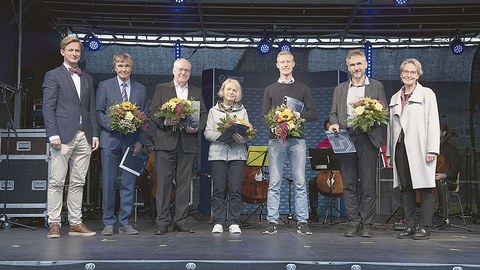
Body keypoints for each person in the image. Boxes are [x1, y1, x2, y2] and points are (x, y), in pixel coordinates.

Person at [42, 36, 99, 238]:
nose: (75, 53)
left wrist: (94, 134)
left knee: (78, 182)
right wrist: (53, 134)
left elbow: (91, 108)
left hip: (84, 134)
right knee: (57, 181)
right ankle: (54, 223)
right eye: (71, 50)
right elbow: (48, 106)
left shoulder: (87, 78)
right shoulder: (53, 75)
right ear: (62, 52)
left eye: (78, 51)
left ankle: (75, 222)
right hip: (62, 135)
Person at [328, 49, 386, 238]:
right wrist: (334, 123)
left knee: (368, 184)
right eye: (352, 65)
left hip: (368, 138)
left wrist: (371, 117)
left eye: (359, 64)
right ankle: (353, 222)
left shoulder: (376, 86)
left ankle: (367, 223)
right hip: (345, 137)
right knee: (349, 184)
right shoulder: (340, 89)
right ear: (348, 67)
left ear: (365, 64)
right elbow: (333, 114)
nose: (356, 68)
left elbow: (383, 112)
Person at [148, 58, 207, 235]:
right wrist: (165, 121)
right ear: (173, 71)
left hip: (187, 144)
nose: (183, 73)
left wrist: (196, 127)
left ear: (190, 73)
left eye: (187, 70)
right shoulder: (162, 88)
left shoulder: (196, 91)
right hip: (166, 142)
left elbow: (203, 113)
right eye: (180, 70)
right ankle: (163, 222)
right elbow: (152, 111)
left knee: (184, 185)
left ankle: (181, 221)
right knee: (164, 184)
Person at [262, 51, 318, 235]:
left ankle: (302, 221)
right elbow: (264, 117)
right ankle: (272, 221)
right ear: (277, 65)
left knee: (300, 182)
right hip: (276, 140)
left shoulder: (303, 88)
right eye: (282, 62)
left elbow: (313, 113)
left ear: (293, 64)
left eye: (288, 61)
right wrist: (274, 126)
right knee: (275, 181)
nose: (285, 64)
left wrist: (298, 115)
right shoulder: (270, 89)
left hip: (297, 140)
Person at [386, 58, 440, 240]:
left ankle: (425, 227)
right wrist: (388, 152)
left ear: (418, 75)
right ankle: (410, 225)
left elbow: (434, 122)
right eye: (406, 72)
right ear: (401, 75)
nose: (409, 75)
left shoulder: (426, 94)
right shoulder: (395, 97)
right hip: (400, 147)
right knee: (406, 187)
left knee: (424, 186)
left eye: (413, 72)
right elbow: (390, 128)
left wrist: (432, 148)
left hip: (420, 148)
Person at [96, 52, 147, 236]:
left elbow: (143, 117)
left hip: (132, 142)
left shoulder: (140, 89)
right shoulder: (104, 86)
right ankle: (108, 222)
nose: (124, 69)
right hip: (110, 140)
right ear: (114, 67)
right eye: (120, 66)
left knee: (128, 182)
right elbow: (99, 112)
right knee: (109, 182)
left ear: (131, 68)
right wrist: (115, 124)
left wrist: (140, 140)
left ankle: (125, 221)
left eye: (127, 66)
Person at [204, 78, 250, 234]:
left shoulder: (242, 111)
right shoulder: (213, 111)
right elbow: (207, 132)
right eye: (229, 89)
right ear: (222, 91)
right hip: (218, 155)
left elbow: (248, 133)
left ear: (238, 94)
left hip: (237, 155)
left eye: (234, 90)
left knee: (235, 189)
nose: (231, 92)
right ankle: (218, 221)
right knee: (218, 189)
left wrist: (242, 138)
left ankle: (234, 222)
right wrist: (223, 136)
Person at [435, 124, 461, 226]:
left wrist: (444, 175)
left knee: (441, 183)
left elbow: (455, 168)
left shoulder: (451, 149)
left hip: (449, 180)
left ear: (444, 133)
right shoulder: (430, 148)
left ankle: (444, 217)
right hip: (433, 179)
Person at [308, 119, 333, 222]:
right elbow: (318, 165)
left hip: (342, 175)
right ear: (325, 132)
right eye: (329, 131)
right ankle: (314, 212)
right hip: (325, 175)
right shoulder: (321, 145)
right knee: (312, 183)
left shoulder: (344, 144)